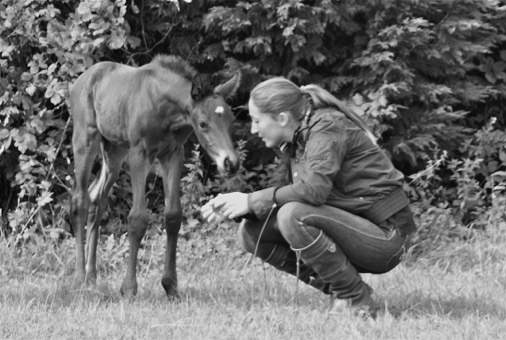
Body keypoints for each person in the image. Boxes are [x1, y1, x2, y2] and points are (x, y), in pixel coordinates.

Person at [201, 77, 417, 318]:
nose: (253, 129)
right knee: (251, 232)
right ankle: (345, 291)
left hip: (387, 239)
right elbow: (285, 195)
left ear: (282, 118)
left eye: (257, 120)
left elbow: (312, 191)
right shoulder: (299, 137)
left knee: (293, 215)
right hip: (359, 231)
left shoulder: (327, 127)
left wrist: (251, 200)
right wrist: (238, 207)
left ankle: (357, 302)